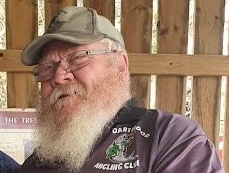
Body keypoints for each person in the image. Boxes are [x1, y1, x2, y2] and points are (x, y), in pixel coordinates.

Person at [17, 6, 224, 173]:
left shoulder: (170, 138)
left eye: (78, 58)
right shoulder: (39, 161)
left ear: (121, 65)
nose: (59, 76)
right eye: (47, 68)